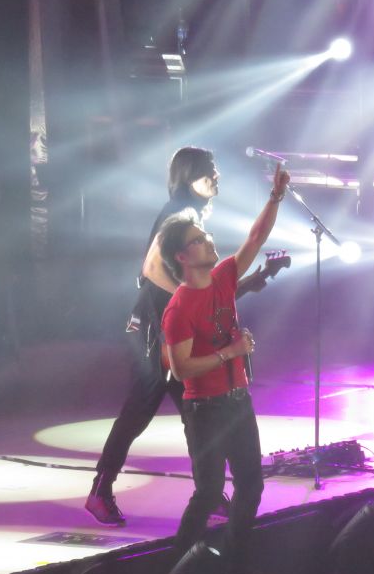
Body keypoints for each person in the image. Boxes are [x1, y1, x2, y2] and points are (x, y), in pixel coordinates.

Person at [86, 147, 270, 526]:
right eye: (209, 171)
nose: (216, 177)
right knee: (142, 410)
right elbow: (151, 268)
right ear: (189, 177)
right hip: (155, 330)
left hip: (166, 327)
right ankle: (100, 491)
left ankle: (208, 492)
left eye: (215, 170)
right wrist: (189, 302)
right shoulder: (179, 212)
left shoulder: (191, 213)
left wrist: (245, 284)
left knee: (193, 410)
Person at [160, 163, 289, 574]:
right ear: (182, 257)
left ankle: (234, 563)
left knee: (251, 483)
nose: (208, 240)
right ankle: (175, 571)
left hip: (237, 401)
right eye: (198, 240)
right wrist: (228, 352)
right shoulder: (178, 309)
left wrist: (276, 197)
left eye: (205, 235)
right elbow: (182, 369)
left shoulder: (223, 278)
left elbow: (256, 238)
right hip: (206, 410)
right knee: (209, 492)